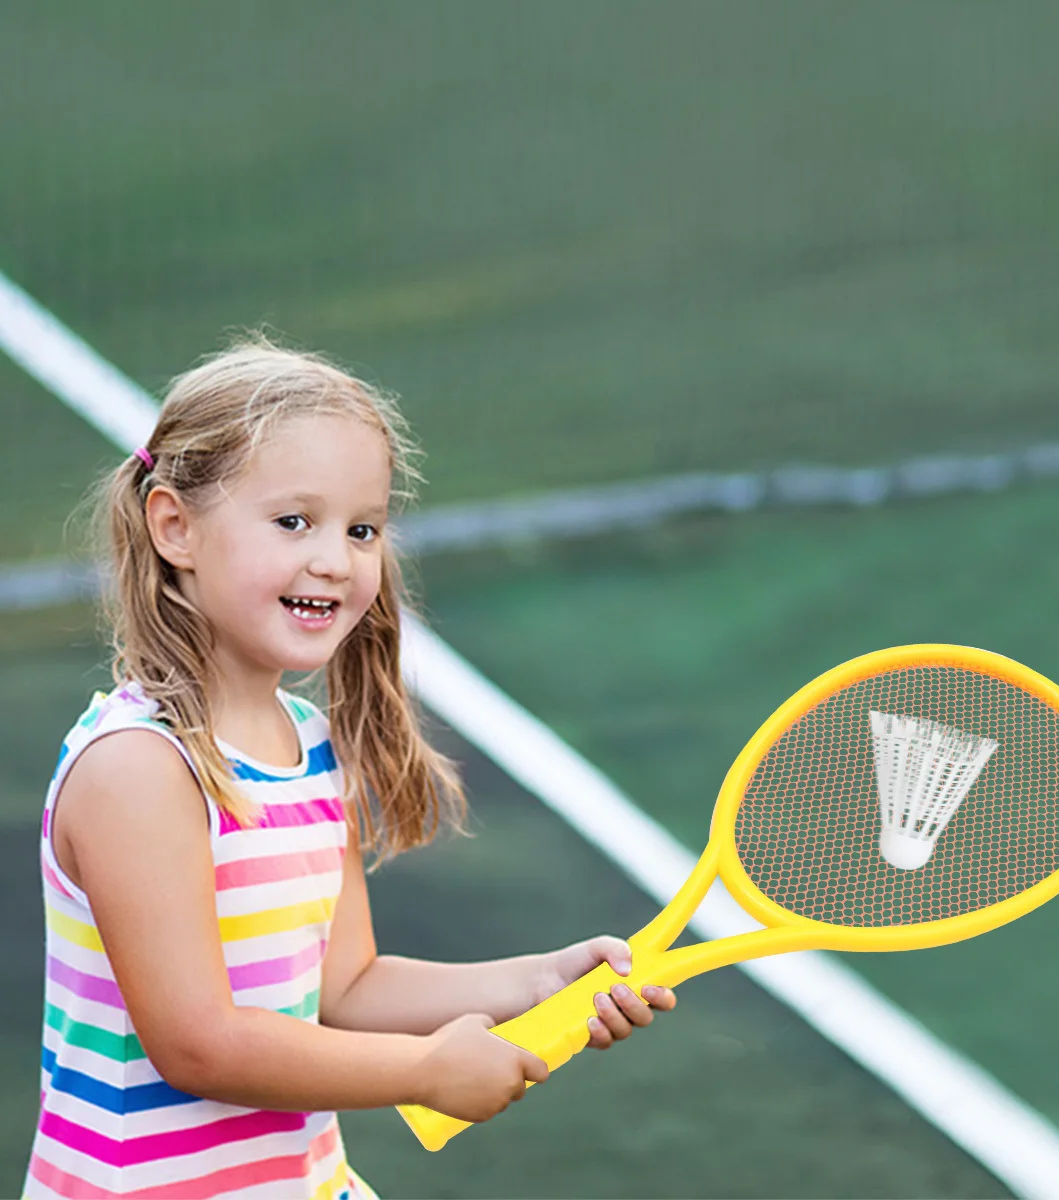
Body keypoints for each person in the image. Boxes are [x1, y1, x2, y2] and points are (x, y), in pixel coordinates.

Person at [24, 338, 676, 1200]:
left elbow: (347, 987)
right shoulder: (140, 770)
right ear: (174, 525)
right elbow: (198, 1045)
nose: (336, 558)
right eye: (294, 521)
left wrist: (539, 979)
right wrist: (421, 1072)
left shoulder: (306, 746)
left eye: (361, 528)